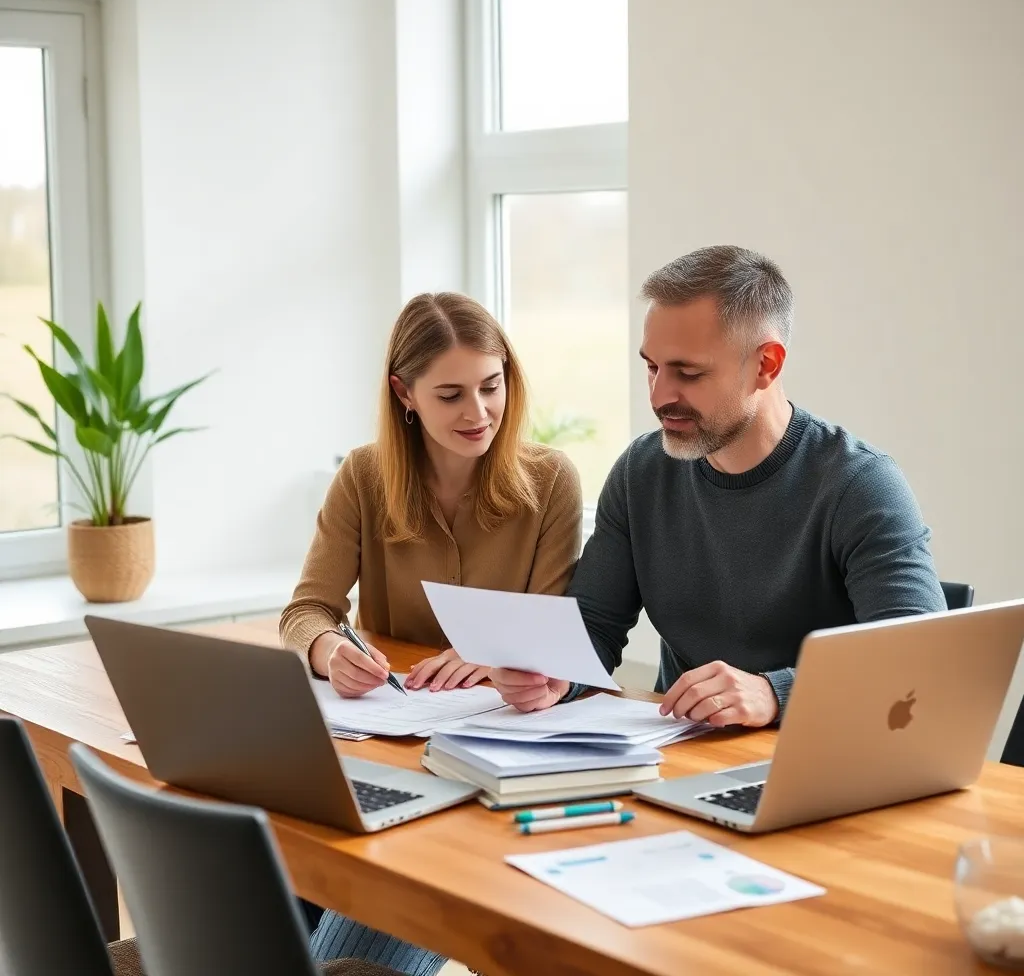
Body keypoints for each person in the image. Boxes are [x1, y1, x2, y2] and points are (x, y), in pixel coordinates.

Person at [490, 244, 945, 723]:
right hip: (680, 750)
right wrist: (554, 674)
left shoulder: (859, 485)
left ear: (767, 365)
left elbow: (917, 659)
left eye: (688, 372)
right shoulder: (640, 472)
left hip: (822, 754)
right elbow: (596, 624)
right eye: (652, 366)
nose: (660, 395)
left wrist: (775, 694)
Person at [280, 292, 581, 975]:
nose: (477, 413)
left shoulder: (550, 481)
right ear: (404, 394)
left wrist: (498, 653)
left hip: (487, 760)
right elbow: (306, 611)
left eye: (491, 386)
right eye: (450, 395)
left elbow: (554, 634)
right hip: (376, 751)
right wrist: (330, 651)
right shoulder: (363, 476)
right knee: (271, 879)